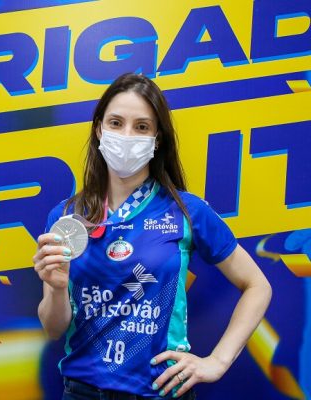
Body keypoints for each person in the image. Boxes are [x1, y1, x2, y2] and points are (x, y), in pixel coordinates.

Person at [33, 73, 272, 399]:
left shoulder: (187, 211)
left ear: (157, 138)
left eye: (142, 127)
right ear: (99, 129)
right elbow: (53, 328)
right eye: (116, 123)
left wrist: (218, 361)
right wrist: (58, 287)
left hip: (161, 390)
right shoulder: (66, 217)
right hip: (82, 391)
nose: (126, 135)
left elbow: (258, 286)